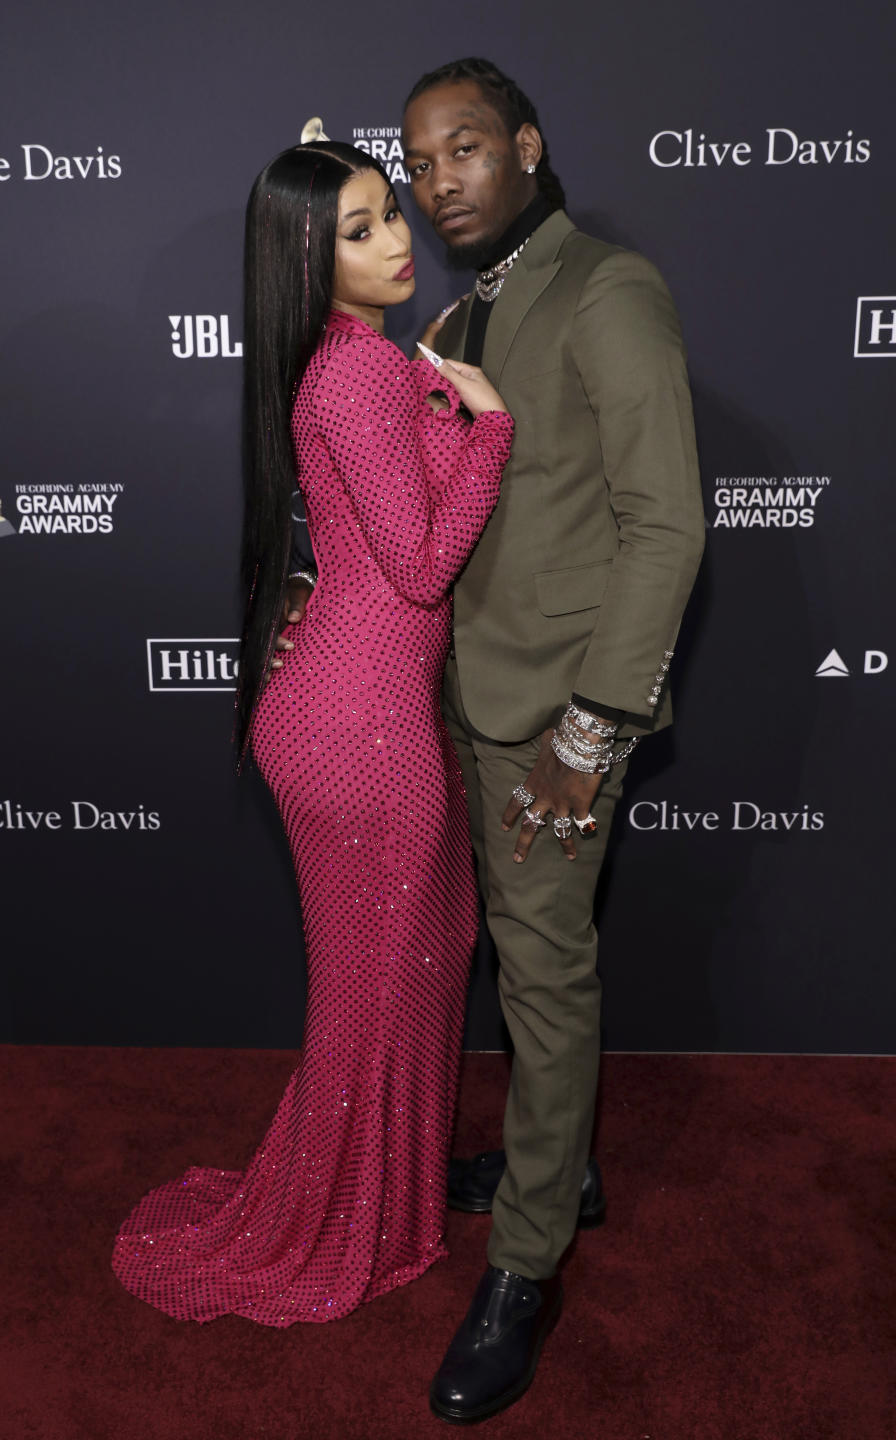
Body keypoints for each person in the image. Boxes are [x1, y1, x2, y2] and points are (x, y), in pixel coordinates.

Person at [284, 57, 705, 1420]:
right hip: (450, 710)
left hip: (553, 723)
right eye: (419, 164)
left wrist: (596, 727)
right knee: (502, 965)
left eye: (465, 150)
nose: (439, 183)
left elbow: (667, 527)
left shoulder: (605, 288)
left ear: (525, 145)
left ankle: (525, 1267)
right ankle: (558, 1170)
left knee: (541, 975)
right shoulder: (463, 310)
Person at [110, 141, 513, 1327]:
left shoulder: (369, 362)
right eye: (359, 228)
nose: (397, 239)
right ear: (303, 252)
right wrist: (486, 424)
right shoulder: (349, 378)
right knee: (373, 985)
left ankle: (388, 1193)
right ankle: (335, 1217)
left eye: (392, 215)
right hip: (358, 729)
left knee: (426, 956)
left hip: (371, 709)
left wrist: (437, 397)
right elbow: (426, 563)